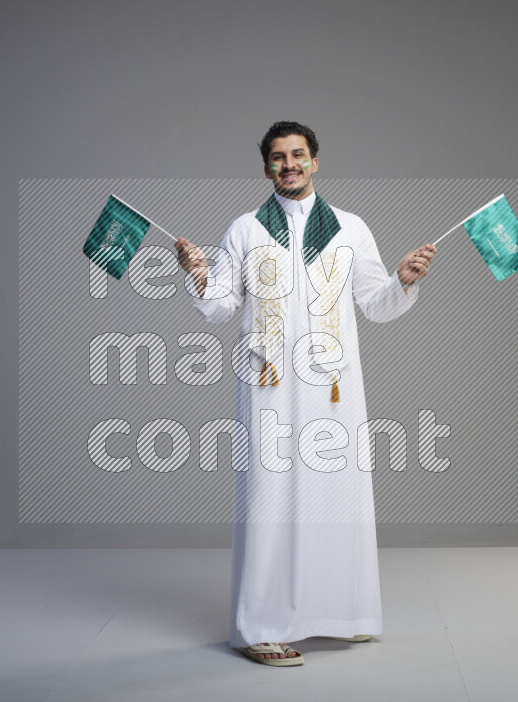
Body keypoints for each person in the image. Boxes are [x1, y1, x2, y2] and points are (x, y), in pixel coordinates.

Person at [174, 121, 436, 666]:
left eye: (298, 155)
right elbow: (221, 306)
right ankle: (258, 628)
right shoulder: (245, 229)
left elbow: (377, 303)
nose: (289, 164)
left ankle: (342, 613)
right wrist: (198, 272)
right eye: (277, 157)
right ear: (266, 167)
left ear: (315, 161)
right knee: (268, 500)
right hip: (268, 385)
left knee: (337, 496)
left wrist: (405, 280)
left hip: (334, 389)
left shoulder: (349, 228)